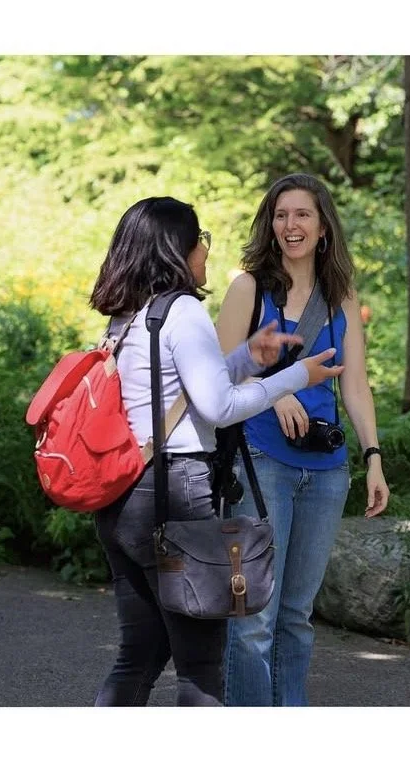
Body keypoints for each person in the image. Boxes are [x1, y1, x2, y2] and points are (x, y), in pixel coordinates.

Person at [87, 196, 343, 707]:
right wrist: (296, 376)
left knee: (140, 653)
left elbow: (184, 388)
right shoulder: (182, 310)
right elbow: (220, 407)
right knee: (202, 668)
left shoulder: (132, 315)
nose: (205, 249)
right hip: (175, 493)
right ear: (177, 249)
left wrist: (248, 357)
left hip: (124, 494)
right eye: (200, 239)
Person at [216, 173, 390, 706]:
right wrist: (275, 391)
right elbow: (216, 376)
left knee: (297, 616)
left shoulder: (341, 297)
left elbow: (355, 385)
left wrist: (373, 457)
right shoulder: (248, 289)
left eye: (302, 215)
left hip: (326, 471)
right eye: (281, 215)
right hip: (260, 461)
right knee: (255, 616)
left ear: (323, 227)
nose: (290, 225)